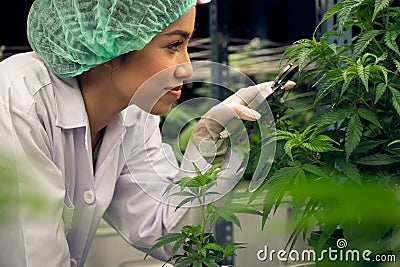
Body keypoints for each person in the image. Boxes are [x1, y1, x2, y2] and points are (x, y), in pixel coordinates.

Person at [0, 0, 293, 266]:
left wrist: (208, 137)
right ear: (114, 40)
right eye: (174, 45)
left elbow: (168, 233)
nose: (187, 69)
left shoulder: (134, 112)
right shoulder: (19, 102)